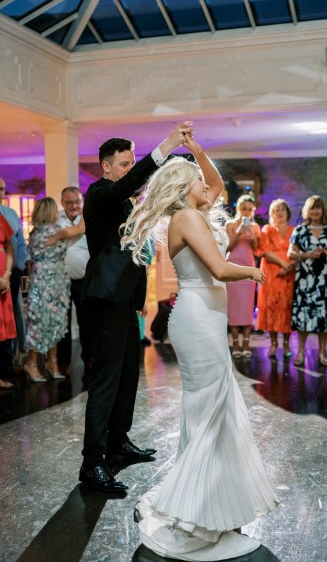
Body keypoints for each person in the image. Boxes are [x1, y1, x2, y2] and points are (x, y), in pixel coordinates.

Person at [121, 134, 278, 560]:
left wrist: (198, 152)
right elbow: (219, 268)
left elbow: (216, 185)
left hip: (207, 317)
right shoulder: (187, 218)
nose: (209, 188)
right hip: (197, 316)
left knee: (212, 407)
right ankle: (191, 507)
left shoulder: (196, 212)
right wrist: (254, 271)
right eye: (199, 180)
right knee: (208, 408)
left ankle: (209, 501)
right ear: (185, 187)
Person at [79, 122, 193, 494]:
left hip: (125, 298)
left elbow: (135, 251)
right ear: (106, 167)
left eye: (132, 163)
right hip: (105, 297)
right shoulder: (100, 193)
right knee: (106, 380)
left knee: (129, 373)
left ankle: (118, 441)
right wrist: (164, 148)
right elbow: (129, 187)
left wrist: (141, 296)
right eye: (124, 164)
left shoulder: (126, 201)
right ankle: (92, 464)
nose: (129, 170)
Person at [288, 195, 327, 367]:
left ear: (323, 210)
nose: (315, 211)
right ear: (307, 211)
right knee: (304, 315)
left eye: (318, 207)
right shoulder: (299, 230)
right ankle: (301, 352)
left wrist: (326, 252)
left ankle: (322, 353)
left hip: (326, 279)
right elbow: (290, 254)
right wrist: (306, 255)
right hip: (306, 279)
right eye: (312, 207)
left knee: (324, 316)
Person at [24, 198, 69, 382]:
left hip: (50, 280)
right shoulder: (53, 231)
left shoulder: (35, 233)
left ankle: (51, 362)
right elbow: (79, 229)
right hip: (48, 282)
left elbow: (29, 261)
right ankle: (32, 363)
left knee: (51, 322)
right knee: (42, 323)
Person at [56, 187, 90, 375]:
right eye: (69, 202)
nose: (74, 206)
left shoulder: (88, 219)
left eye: (77, 202)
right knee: (63, 324)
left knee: (86, 323)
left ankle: (89, 360)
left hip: (83, 281)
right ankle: (63, 363)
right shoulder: (55, 220)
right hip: (60, 281)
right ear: (63, 203)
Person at [257, 198, 296, 358]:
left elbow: (299, 250)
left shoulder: (294, 230)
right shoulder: (267, 229)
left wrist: (289, 265)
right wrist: (283, 264)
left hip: (289, 274)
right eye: (276, 210)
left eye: (282, 210)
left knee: (286, 307)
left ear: (287, 212)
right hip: (271, 273)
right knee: (271, 306)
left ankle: (286, 344)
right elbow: (265, 250)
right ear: (272, 214)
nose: (279, 213)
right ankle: (273, 343)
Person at [225, 195, 260, 358]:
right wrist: (238, 233)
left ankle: (246, 342)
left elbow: (257, 249)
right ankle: (236, 344)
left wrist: (252, 237)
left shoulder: (255, 226)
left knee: (246, 307)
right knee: (233, 307)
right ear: (238, 208)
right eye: (243, 208)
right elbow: (228, 247)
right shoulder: (231, 224)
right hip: (232, 266)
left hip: (248, 267)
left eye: (249, 209)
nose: (246, 211)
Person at [0, 178, 27, 362]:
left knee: (11, 317)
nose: (0, 192)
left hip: (10, 273)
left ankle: (9, 361)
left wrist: (17, 269)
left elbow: (19, 243)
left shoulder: (10, 213)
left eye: (2, 189)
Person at [0, 213, 16, 389]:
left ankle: (2, 374)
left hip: (4, 282)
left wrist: (6, 274)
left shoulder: (1, 218)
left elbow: (9, 247)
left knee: (3, 331)